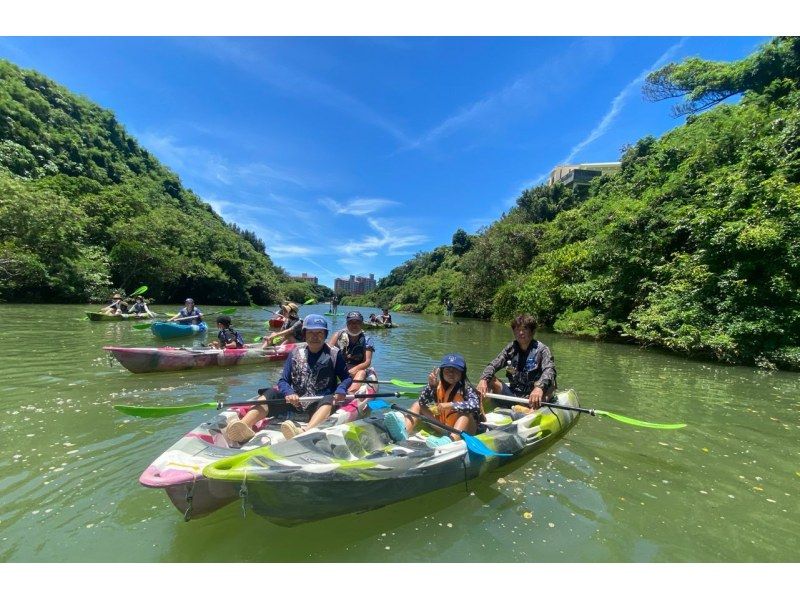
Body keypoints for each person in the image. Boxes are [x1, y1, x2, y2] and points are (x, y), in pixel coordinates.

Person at [223, 314, 352, 444]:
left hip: (319, 404)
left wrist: (341, 389)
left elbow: (346, 378)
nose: (315, 336)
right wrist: (289, 393)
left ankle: (304, 431)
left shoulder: (334, 354)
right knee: (271, 393)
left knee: (329, 398)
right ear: (304, 334)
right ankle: (244, 426)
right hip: (294, 402)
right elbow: (283, 381)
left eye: (319, 333)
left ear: (325, 335)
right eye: (311, 332)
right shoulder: (295, 353)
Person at [383, 353, 482, 448]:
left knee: (465, 414)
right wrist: (430, 386)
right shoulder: (437, 386)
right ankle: (404, 431)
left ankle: (450, 441)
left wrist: (450, 405)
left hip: (465, 431)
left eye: (456, 371)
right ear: (442, 372)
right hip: (444, 426)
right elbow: (422, 401)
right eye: (448, 370)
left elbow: (475, 405)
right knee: (418, 404)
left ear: (462, 373)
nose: (451, 374)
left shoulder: (466, 389)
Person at [476, 314, 556, 410]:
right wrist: (483, 379)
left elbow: (549, 370)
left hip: (534, 395)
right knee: (490, 379)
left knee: (551, 385)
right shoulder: (511, 348)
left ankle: (534, 409)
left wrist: (539, 388)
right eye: (517, 329)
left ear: (533, 331)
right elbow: (493, 364)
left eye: (525, 329)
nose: (520, 333)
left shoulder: (542, 350)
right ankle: (479, 411)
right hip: (514, 394)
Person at [328, 311, 376, 393]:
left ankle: (350, 393)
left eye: (357, 322)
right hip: (339, 367)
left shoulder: (367, 340)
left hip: (357, 368)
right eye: (351, 322)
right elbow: (327, 353)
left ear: (361, 324)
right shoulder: (338, 335)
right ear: (347, 324)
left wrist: (355, 369)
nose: (354, 325)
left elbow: (367, 362)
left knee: (361, 373)